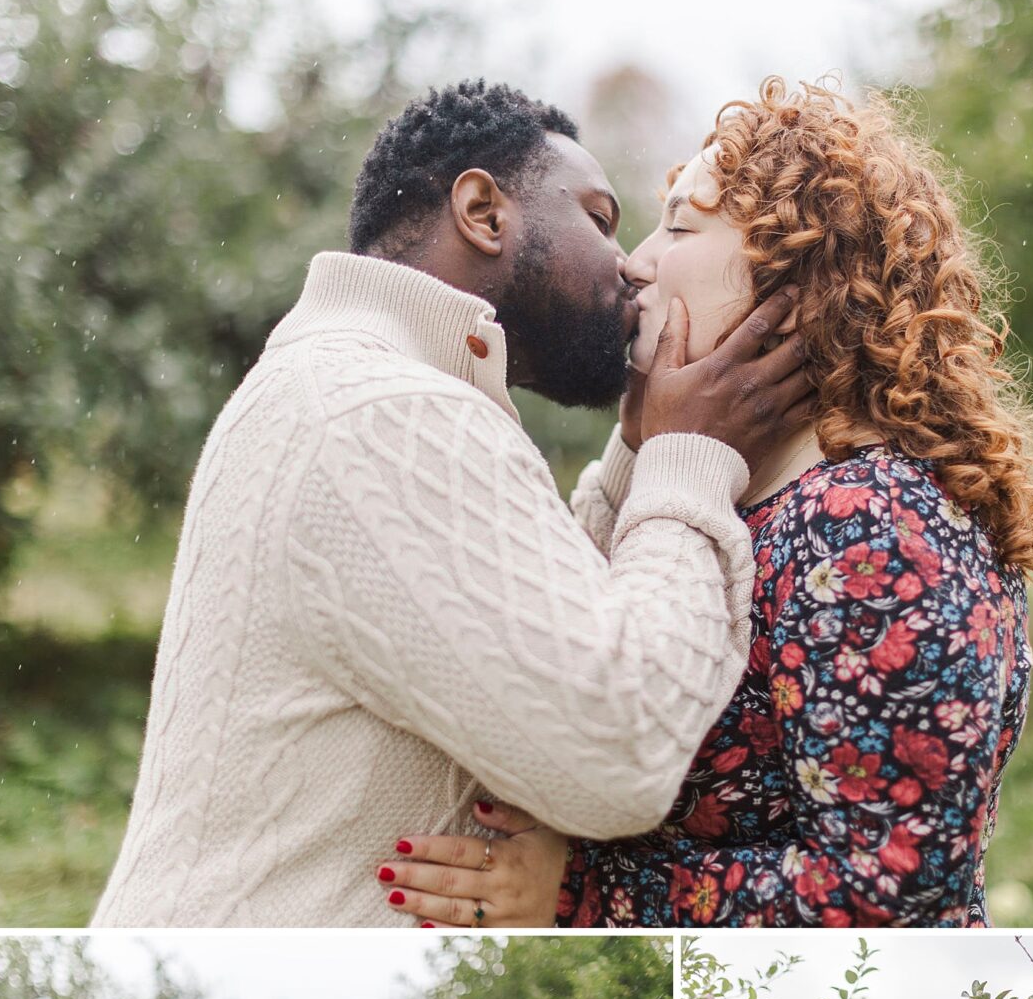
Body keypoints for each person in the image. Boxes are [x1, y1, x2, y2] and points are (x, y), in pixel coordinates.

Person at [92, 80, 812, 930]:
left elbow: (521, 633)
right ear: (482, 211)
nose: (630, 263)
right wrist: (688, 460)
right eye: (600, 218)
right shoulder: (386, 410)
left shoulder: (347, 383)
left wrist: (639, 446)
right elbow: (616, 753)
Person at [383, 77, 1033, 931]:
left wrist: (580, 893)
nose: (635, 262)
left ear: (800, 273)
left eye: (679, 226)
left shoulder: (868, 525)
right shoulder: (765, 501)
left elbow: (889, 891)